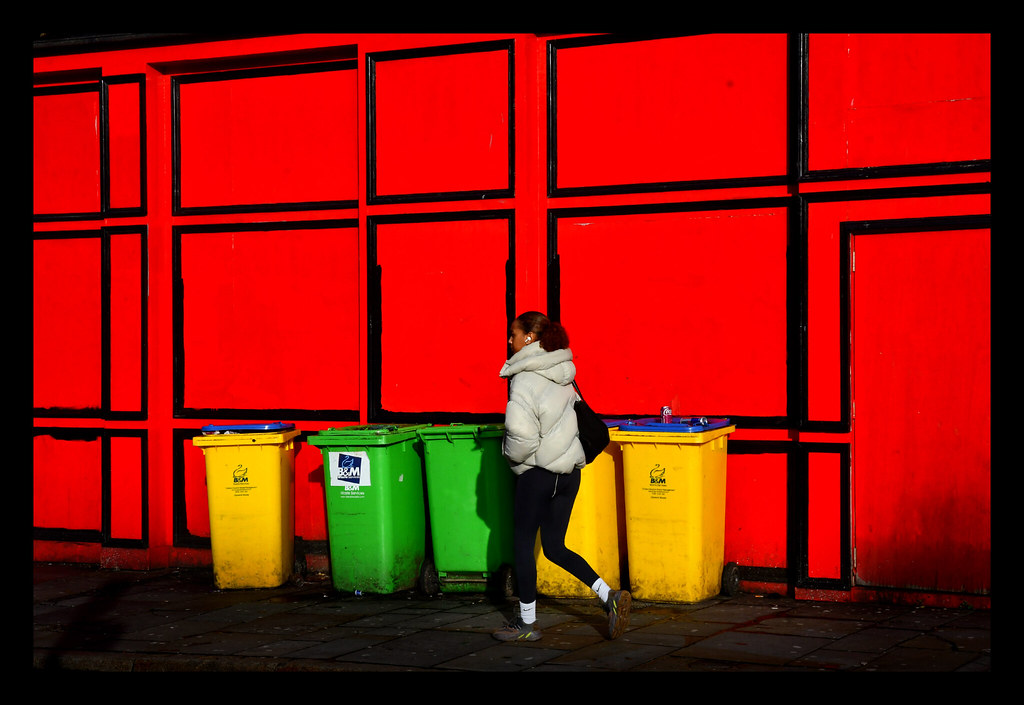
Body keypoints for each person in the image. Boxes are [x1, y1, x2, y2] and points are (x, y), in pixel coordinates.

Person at [492, 311, 631, 642]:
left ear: (529, 338)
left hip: (538, 476)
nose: (509, 340)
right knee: (554, 546)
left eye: (513, 333)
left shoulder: (524, 379)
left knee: (524, 544)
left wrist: (514, 461)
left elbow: (519, 434)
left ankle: (527, 625)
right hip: (569, 475)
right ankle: (608, 596)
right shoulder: (565, 373)